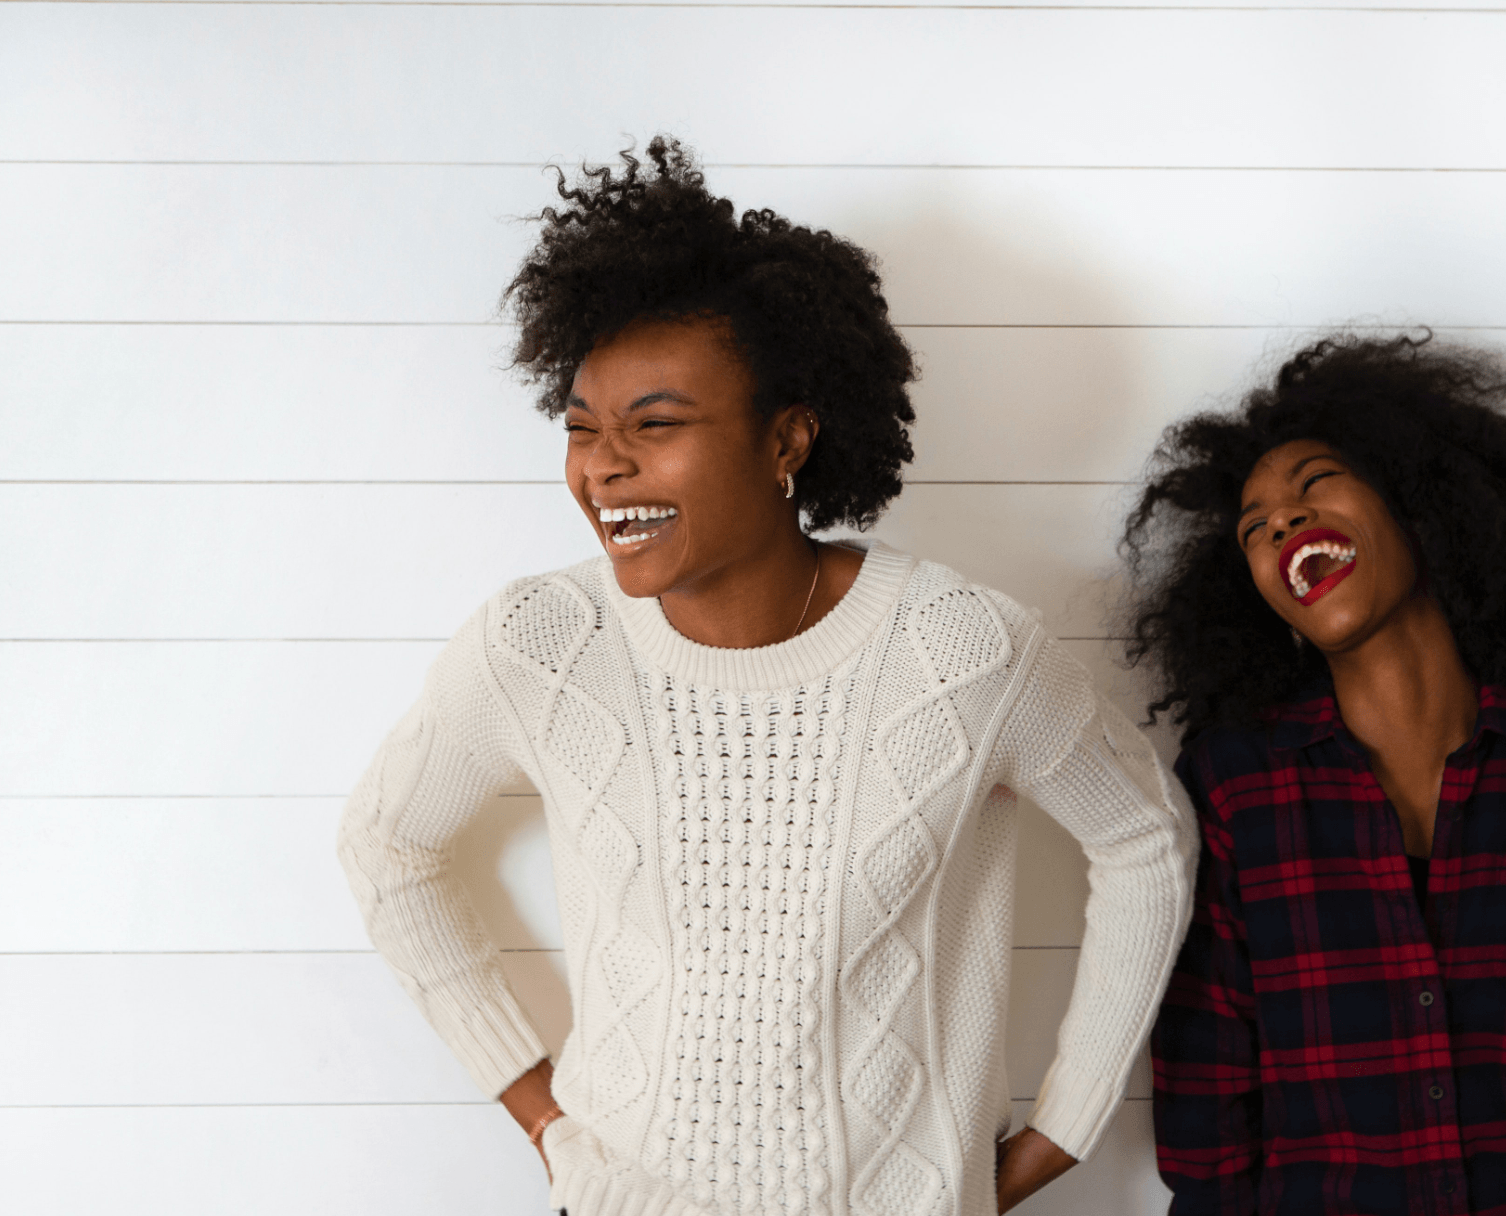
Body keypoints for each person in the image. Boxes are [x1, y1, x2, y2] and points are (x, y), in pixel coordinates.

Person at [337, 137, 1195, 1216]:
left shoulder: (962, 651)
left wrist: (1062, 1131)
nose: (604, 466)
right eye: (583, 429)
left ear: (786, 437)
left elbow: (1143, 840)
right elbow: (385, 841)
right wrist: (544, 1115)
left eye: (655, 425)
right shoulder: (540, 642)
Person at [1126, 334, 1506, 1215]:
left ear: (1419, 498)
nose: (1283, 524)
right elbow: (1204, 1079)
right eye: (1255, 528)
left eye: (1314, 485)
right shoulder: (1233, 788)